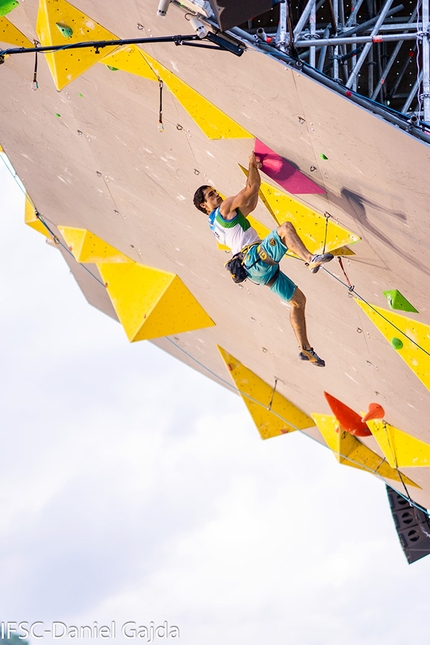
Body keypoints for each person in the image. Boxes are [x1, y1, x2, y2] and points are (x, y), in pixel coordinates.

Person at [193, 152, 333, 367]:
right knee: (285, 229)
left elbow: (250, 204)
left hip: (255, 271)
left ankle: (305, 349)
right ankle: (310, 259)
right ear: (204, 205)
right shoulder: (223, 209)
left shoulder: (216, 224)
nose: (216, 195)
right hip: (254, 258)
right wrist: (252, 164)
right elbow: (250, 190)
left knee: (298, 301)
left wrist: (256, 179)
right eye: (211, 195)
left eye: (214, 191)